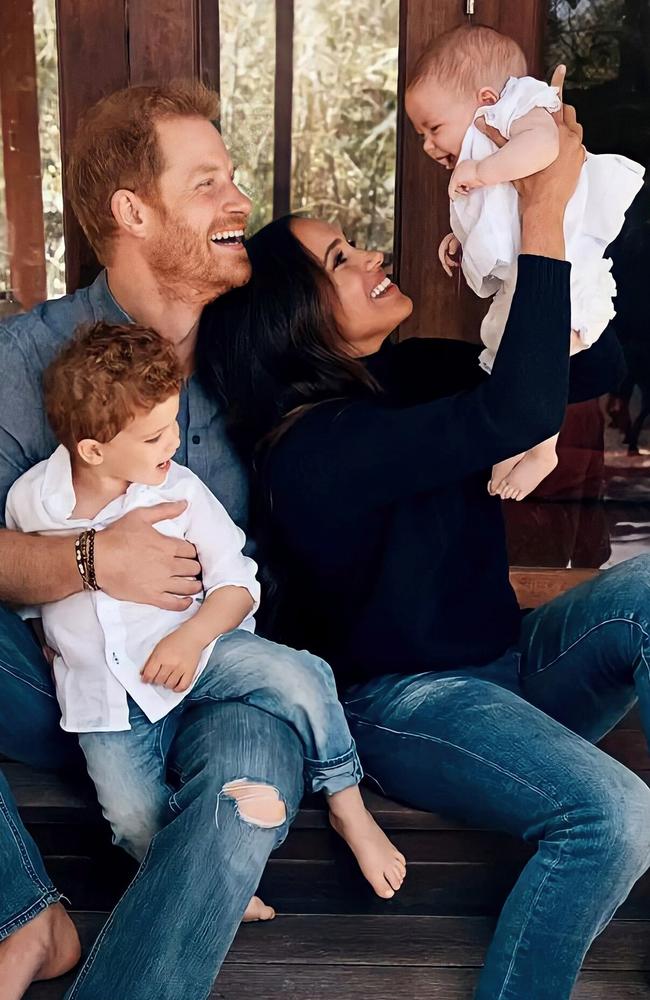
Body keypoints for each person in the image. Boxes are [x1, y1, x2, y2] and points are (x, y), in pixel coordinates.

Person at [198, 91, 650, 1000]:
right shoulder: (311, 449)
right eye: (340, 257)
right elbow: (514, 410)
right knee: (613, 815)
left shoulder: (410, 374)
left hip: (508, 668)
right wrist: (537, 209)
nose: (371, 256)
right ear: (293, 314)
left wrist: (571, 198)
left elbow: (594, 363)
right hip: (406, 706)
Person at [0, 80, 306, 1000]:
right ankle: (24, 913)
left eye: (233, 179)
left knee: (242, 805)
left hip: (224, 677)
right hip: (78, 692)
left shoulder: (259, 350)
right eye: (207, 181)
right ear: (134, 210)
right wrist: (92, 561)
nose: (239, 202)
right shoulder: (23, 361)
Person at [6, 320, 406, 900]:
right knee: (129, 815)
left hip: (202, 648)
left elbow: (239, 583)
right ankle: (201, 879)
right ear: (93, 449)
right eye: (152, 436)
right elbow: (28, 588)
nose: (172, 442)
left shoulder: (181, 491)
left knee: (301, 676)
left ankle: (347, 802)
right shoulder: (32, 501)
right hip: (105, 697)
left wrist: (191, 638)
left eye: (173, 423)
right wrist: (44, 631)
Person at [405, 25, 644, 501]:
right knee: (507, 349)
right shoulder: (491, 143)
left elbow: (545, 149)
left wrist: (480, 170)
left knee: (544, 349)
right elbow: (501, 213)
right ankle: (518, 437)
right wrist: (460, 237)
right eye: (421, 135)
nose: (430, 146)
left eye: (434, 128)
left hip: (568, 267)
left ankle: (543, 447)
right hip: (533, 268)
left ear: (487, 98)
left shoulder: (523, 108)